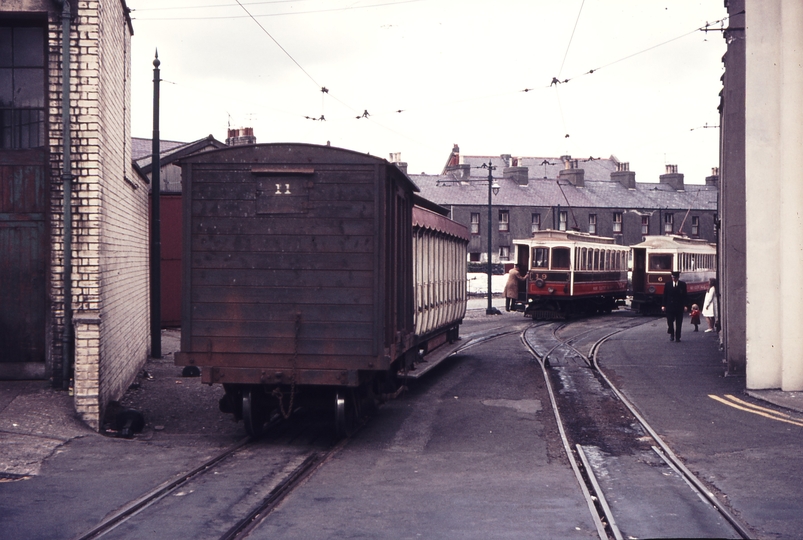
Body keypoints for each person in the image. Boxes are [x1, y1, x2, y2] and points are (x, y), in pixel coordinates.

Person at [662, 271, 687, 342]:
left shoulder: (682, 284)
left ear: (678, 278)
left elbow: (685, 295)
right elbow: (665, 295)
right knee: (670, 321)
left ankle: (678, 337)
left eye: (675, 277)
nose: (674, 279)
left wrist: (685, 305)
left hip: (679, 306)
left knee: (679, 323)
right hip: (670, 306)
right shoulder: (668, 284)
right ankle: (672, 334)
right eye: (672, 277)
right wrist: (663, 305)